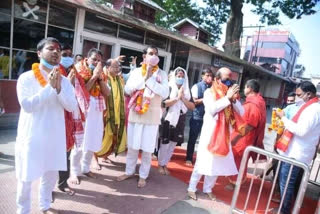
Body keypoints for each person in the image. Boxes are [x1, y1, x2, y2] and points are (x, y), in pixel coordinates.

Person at [15, 37, 77, 214]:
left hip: (54, 136)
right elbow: (27, 106)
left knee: (50, 175)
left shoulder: (64, 81)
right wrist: (49, 87)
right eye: (51, 48)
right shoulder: (26, 78)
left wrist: (58, 89)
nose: (56, 52)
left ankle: (45, 205)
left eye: (58, 49)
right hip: (32, 136)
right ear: (39, 53)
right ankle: (23, 211)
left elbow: (71, 106)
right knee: (25, 178)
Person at [187, 67, 244, 200]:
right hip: (210, 134)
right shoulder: (209, 92)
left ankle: (208, 189)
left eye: (230, 80)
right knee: (202, 161)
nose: (228, 83)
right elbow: (212, 109)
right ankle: (191, 188)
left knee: (216, 163)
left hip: (224, 135)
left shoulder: (231, 95)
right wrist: (227, 99)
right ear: (217, 79)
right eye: (225, 80)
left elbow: (242, 112)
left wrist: (233, 100)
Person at [117, 45, 169, 188]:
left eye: (156, 53)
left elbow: (165, 93)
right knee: (133, 147)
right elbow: (127, 89)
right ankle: (129, 171)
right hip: (136, 113)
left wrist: (150, 80)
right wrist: (144, 78)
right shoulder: (137, 72)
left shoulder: (162, 74)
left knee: (147, 149)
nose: (153, 56)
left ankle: (143, 176)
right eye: (150, 53)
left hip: (152, 116)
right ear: (144, 57)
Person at [274, 81, 320, 214]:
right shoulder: (308, 107)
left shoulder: (313, 110)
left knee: (286, 184)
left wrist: (284, 119)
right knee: (286, 183)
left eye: (299, 95)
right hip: (293, 152)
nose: (297, 97)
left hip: (296, 154)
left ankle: (285, 210)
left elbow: (301, 131)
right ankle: (285, 208)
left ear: (309, 94)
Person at [69, 48, 109, 184]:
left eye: (99, 60)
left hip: (97, 109)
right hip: (82, 109)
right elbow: (83, 90)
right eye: (94, 59)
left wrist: (99, 77)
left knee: (93, 139)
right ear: (87, 58)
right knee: (80, 142)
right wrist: (93, 77)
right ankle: (74, 172)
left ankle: (85, 168)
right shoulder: (78, 70)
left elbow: (107, 93)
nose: (96, 62)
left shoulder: (101, 73)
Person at [226, 79, 266, 189]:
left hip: (244, 138)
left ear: (250, 88)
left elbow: (250, 125)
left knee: (238, 160)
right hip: (246, 137)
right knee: (240, 160)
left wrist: (237, 138)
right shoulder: (258, 101)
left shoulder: (254, 104)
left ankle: (234, 183)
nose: (244, 89)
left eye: (245, 87)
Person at [157, 67, 195, 175]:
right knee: (165, 142)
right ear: (174, 77)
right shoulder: (168, 88)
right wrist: (176, 98)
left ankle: (165, 164)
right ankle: (160, 164)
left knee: (173, 143)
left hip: (180, 119)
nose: (180, 78)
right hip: (168, 118)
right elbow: (163, 103)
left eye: (182, 77)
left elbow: (192, 106)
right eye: (178, 76)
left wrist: (182, 98)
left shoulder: (187, 91)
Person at [93, 59, 127, 168]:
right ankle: (94, 159)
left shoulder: (119, 79)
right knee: (100, 136)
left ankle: (104, 155)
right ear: (108, 68)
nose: (117, 69)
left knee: (111, 136)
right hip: (104, 112)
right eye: (115, 67)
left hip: (116, 113)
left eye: (118, 67)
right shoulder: (103, 78)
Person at [55, 44, 77, 196]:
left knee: (67, 152)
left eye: (70, 54)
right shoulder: (56, 72)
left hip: (69, 117)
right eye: (65, 54)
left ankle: (63, 182)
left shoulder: (74, 71)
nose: (68, 56)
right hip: (55, 117)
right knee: (53, 153)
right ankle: (47, 189)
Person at [185, 69, 213, 165]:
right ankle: (189, 158)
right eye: (207, 75)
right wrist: (206, 98)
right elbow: (195, 101)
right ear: (202, 76)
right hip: (197, 117)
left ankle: (200, 160)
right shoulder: (196, 86)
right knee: (193, 139)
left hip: (208, 118)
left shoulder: (212, 88)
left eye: (211, 76)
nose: (210, 78)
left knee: (205, 140)